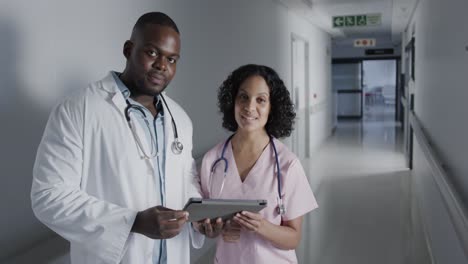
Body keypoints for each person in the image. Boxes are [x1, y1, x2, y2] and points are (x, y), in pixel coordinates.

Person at [31, 12, 204, 264]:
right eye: (152, 53)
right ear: (128, 49)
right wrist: (132, 221)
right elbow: (48, 196)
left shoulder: (180, 118)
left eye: (172, 59)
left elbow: (186, 180)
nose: (162, 66)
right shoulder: (78, 109)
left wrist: (200, 219)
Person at [198, 64, 318, 263]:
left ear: (272, 108)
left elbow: (293, 238)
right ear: (232, 101)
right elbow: (202, 223)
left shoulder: (288, 164)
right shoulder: (212, 160)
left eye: (261, 100)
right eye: (243, 97)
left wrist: (262, 227)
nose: (249, 107)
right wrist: (211, 229)